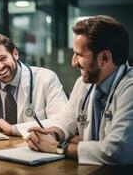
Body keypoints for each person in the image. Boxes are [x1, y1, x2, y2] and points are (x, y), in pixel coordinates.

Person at [26, 15, 133, 165]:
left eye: (79, 54)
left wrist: (58, 147)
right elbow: (65, 122)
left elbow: (118, 150)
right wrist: (52, 134)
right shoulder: (84, 83)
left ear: (104, 57)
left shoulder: (129, 88)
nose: (73, 62)